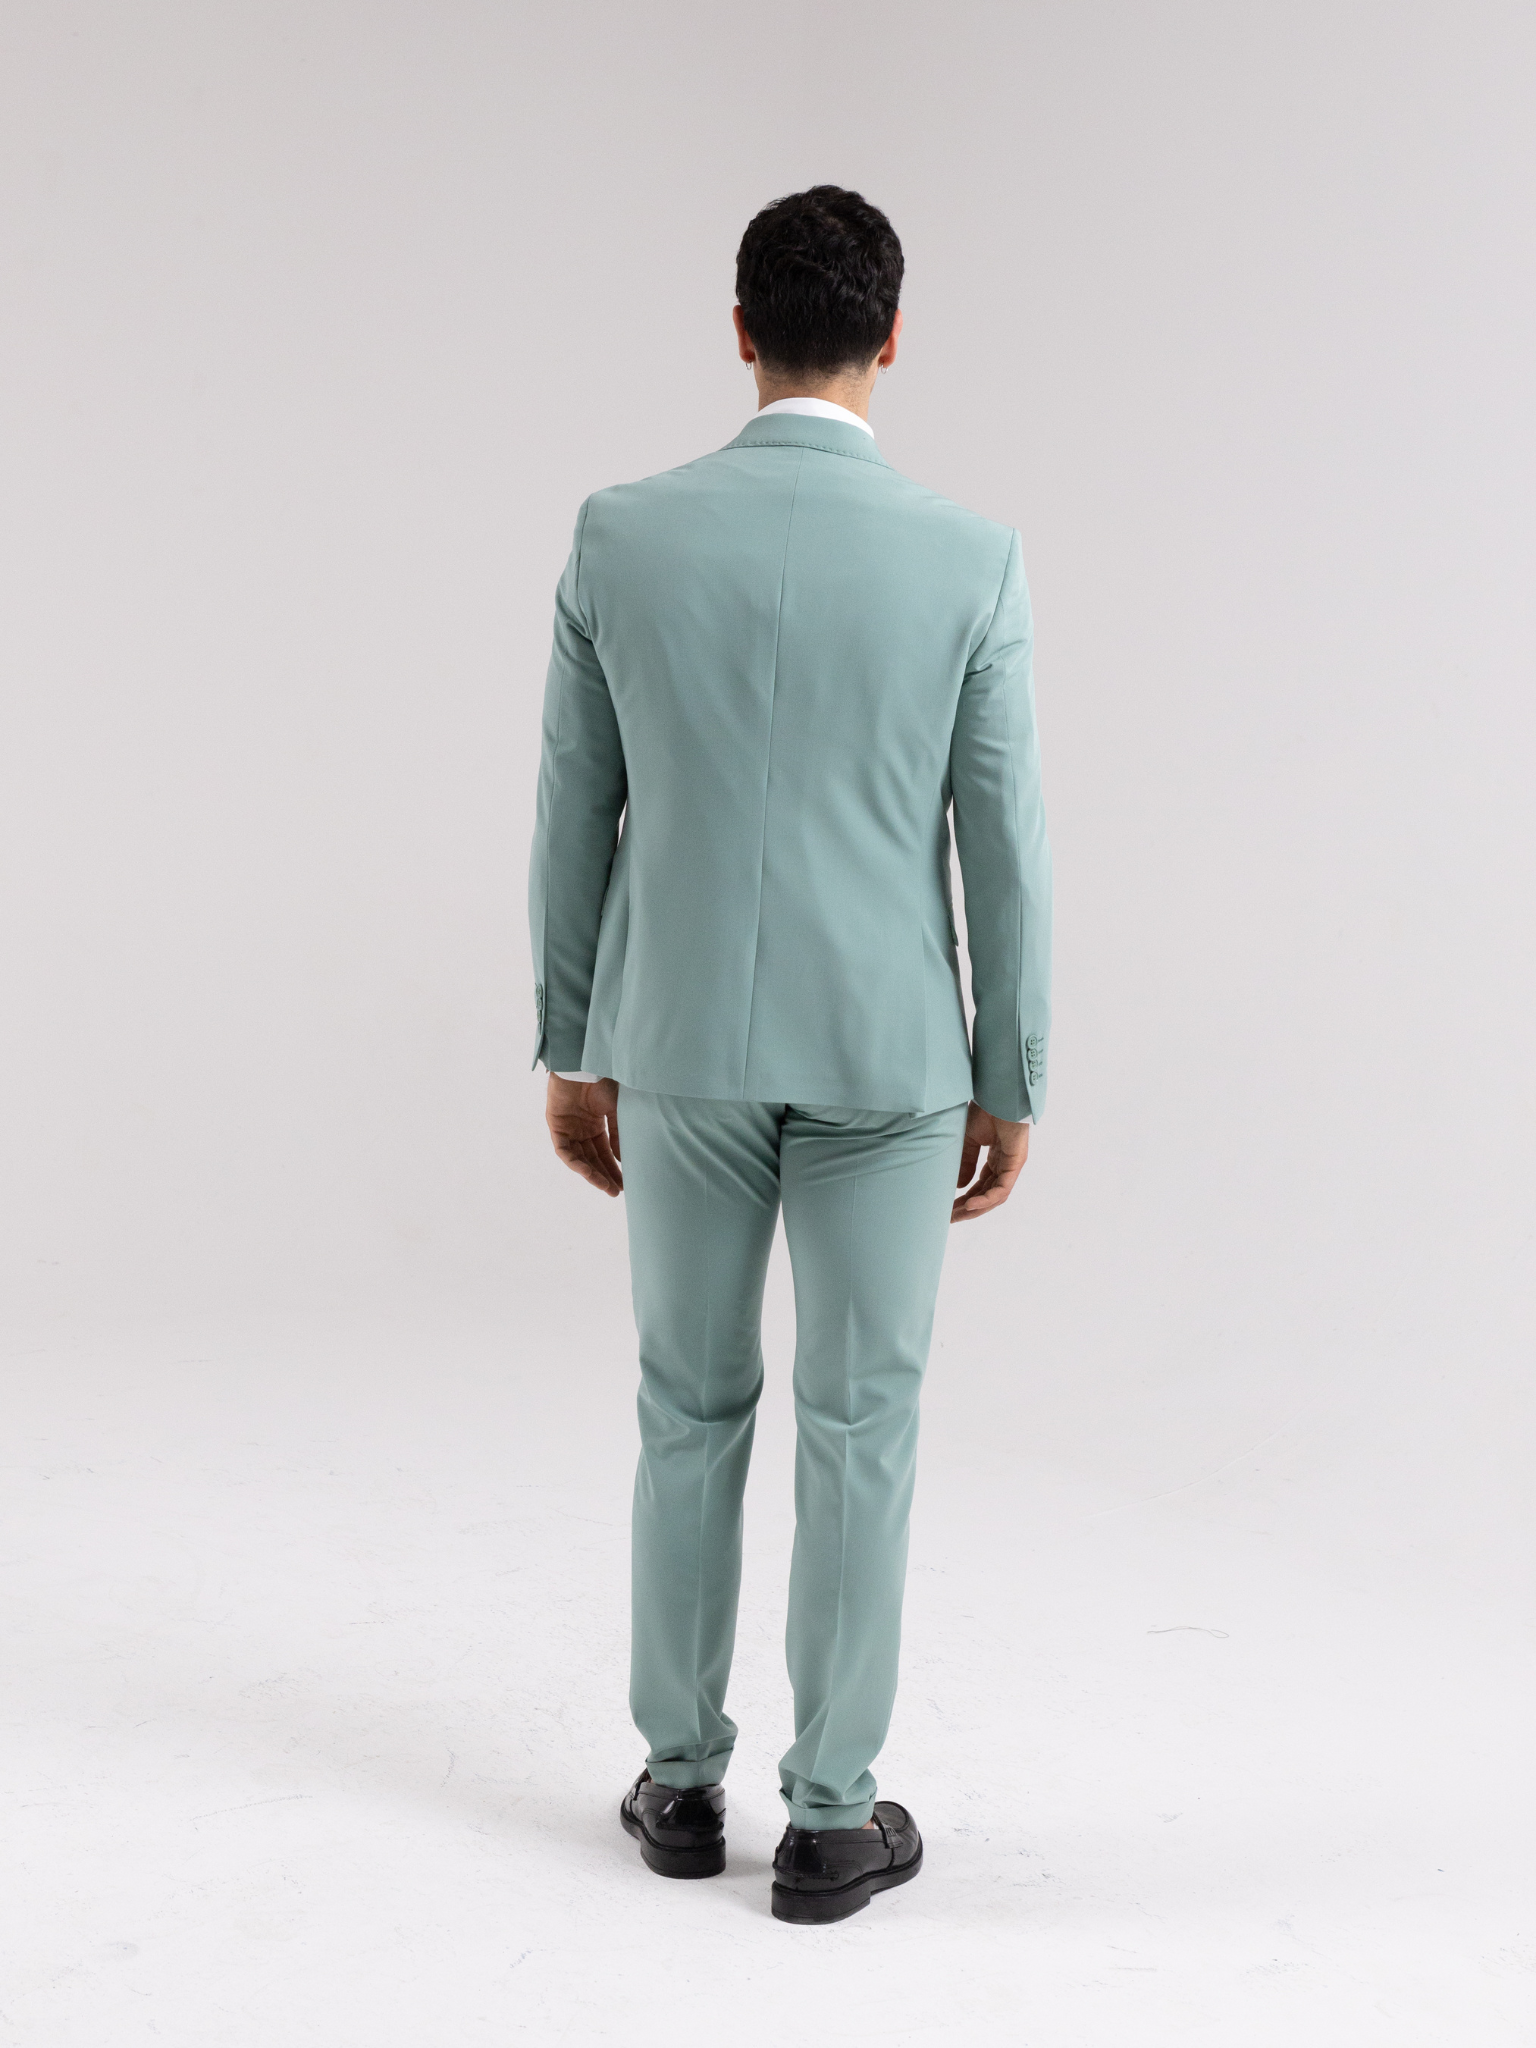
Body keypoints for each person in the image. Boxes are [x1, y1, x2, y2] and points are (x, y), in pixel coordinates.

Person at [528, 185, 1051, 1924]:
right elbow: (1005, 840)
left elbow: (574, 810)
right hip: (891, 1055)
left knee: (688, 1405)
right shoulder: (971, 557)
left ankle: (681, 1786)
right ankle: (830, 1820)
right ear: (893, 339)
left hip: (675, 1038)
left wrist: (571, 1038)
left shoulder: (620, 534)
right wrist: (1011, 1071)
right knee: (861, 1418)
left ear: (740, 329)